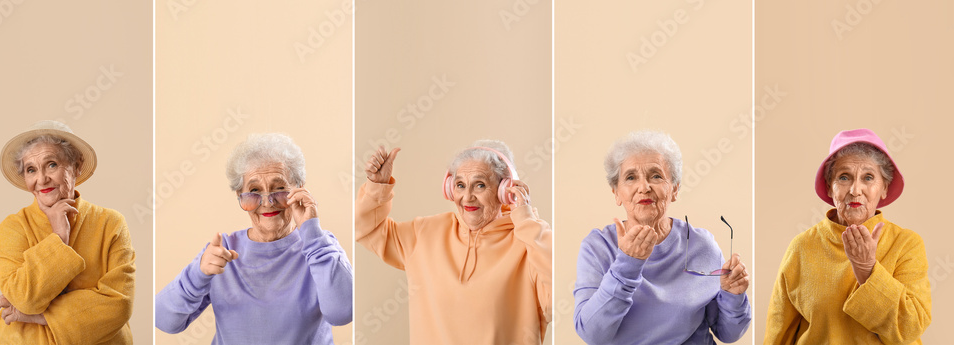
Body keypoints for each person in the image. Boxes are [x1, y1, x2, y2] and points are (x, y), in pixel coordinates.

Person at [155, 133, 353, 344]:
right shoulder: (223, 250)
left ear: (299, 189)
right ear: (240, 195)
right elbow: (164, 320)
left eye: (279, 188)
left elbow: (342, 312)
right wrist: (198, 275)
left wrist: (311, 234)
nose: (267, 202)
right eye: (254, 190)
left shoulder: (320, 246)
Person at [357, 140, 552, 344]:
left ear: (505, 190)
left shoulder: (529, 241)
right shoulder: (424, 233)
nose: (467, 197)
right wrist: (376, 188)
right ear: (450, 189)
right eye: (460, 185)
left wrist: (526, 220)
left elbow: (554, 301)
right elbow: (366, 229)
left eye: (480, 185)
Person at [573, 130, 751, 344]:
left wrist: (733, 296)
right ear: (616, 193)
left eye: (656, 176)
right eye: (631, 177)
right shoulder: (598, 247)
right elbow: (592, 334)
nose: (644, 187)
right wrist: (627, 264)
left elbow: (729, 334)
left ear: (674, 189)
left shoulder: (702, 245)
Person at [765, 128, 931, 344]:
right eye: (844, 177)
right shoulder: (802, 246)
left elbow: (911, 328)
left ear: (884, 188)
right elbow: (779, 334)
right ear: (829, 187)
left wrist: (868, 271)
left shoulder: (906, 244)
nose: (855, 189)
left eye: (868, 177)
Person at [0, 120, 136, 344]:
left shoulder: (111, 223)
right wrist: (59, 237)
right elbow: (23, 298)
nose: (42, 179)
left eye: (51, 164)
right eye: (31, 169)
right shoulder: (13, 227)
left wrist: (42, 315)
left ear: (76, 165)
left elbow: (119, 304)